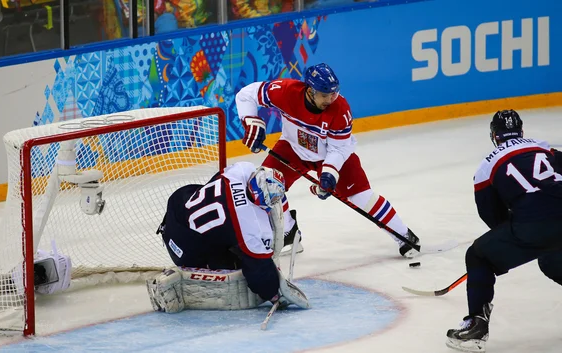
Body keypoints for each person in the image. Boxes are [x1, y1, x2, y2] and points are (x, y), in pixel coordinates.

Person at [235, 62, 420, 258]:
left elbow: (338, 148)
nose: (331, 99)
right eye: (325, 95)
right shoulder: (285, 91)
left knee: (361, 196)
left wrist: (329, 174)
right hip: (293, 148)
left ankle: (404, 235)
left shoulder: (340, 108)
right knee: (265, 184)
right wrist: (250, 120)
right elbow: (246, 94)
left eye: (333, 93)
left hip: (332, 154)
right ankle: (289, 234)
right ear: (310, 91)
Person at [446, 110, 562, 352]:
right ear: (521, 132)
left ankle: (476, 326)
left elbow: (492, 216)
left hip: (533, 224)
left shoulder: (487, 163)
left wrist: (512, 238)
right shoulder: (545, 149)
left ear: (494, 135)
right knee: (552, 261)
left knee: (478, 255)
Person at [146, 162, 309, 313]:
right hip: (183, 247)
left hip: (176, 208)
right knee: (235, 263)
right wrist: (275, 293)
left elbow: (216, 182)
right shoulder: (250, 225)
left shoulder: (243, 170)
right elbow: (259, 270)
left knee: (220, 217)